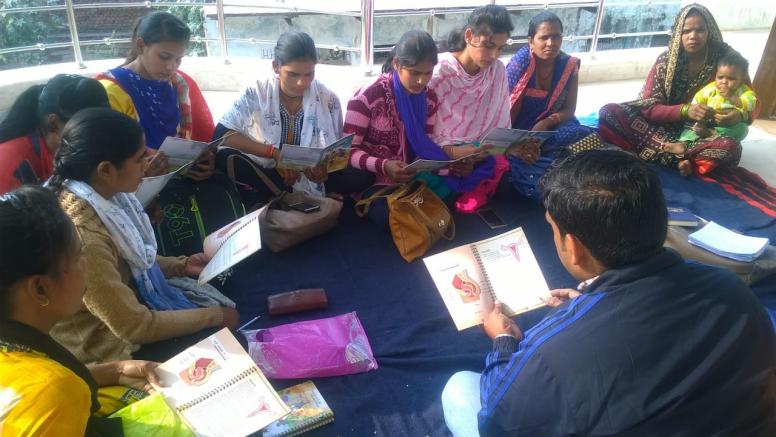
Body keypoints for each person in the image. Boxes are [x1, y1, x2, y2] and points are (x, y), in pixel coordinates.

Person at [440, 150, 776, 436]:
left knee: (460, 389)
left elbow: (497, 419)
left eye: (553, 229)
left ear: (572, 247)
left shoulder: (549, 355)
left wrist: (503, 342)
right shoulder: (730, 289)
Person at [46, 108, 239, 364]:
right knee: (229, 341)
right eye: (139, 160)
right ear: (105, 170)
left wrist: (180, 265)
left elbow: (126, 258)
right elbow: (134, 326)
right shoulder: (83, 239)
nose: (146, 165)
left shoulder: (101, 199)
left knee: (220, 302)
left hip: (127, 314)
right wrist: (215, 316)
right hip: (106, 348)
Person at [0, 185, 163, 436]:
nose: (86, 265)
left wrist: (114, 371)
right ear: (40, 288)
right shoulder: (52, 392)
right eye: (77, 256)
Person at [598, 4, 754, 177]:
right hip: (661, 126)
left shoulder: (726, 59)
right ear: (678, 33)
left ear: (709, 31)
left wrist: (741, 115)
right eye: (686, 31)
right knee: (609, 112)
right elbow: (649, 108)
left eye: (699, 30)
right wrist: (686, 110)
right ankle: (683, 158)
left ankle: (669, 153)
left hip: (702, 131)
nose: (693, 36)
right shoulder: (666, 61)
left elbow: (752, 99)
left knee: (730, 148)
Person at [345, 30, 492, 204]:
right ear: (396, 64)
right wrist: (384, 165)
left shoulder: (428, 99)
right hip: (375, 178)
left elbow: (424, 149)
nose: (422, 81)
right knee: (392, 217)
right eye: (415, 73)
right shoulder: (368, 97)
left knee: (454, 192)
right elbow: (348, 152)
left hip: (411, 176)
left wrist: (453, 168)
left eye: (428, 73)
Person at [215, 30, 360, 204]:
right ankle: (299, 200)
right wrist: (274, 154)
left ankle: (286, 199)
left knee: (361, 174)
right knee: (227, 159)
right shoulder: (257, 92)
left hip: (307, 176)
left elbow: (335, 151)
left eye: (309, 74)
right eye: (293, 74)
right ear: (276, 66)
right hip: (268, 170)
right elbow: (222, 136)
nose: (302, 83)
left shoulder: (327, 98)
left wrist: (323, 170)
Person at [97, 11, 215, 180]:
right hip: (132, 188)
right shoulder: (110, 90)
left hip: (182, 181)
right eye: (164, 57)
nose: (170, 67)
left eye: (178, 59)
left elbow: (202, 138)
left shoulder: (181, 84)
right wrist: (144, 173)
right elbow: (109, 157)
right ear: (140, 46)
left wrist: (203, 161)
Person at [427, 5, 515, 212]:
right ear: (469, 35)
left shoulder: (497, 71)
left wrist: (482, 152)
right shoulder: (438, 73)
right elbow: (425, 133)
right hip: (442, 155)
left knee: (511, 187)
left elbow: (500, 123)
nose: (494, 55)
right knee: (439, 196)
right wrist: (452, 153)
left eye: (500, 48)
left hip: (482, 152)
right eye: (488, 45)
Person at [505, 11, 599, 201]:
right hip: (520, 130)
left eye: (556, 37)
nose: (551, 43)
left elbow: (569, 109)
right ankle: (544, 160)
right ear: (531, 41)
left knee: (579, 134)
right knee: (514, 156)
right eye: (544, 37)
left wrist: (547, 123)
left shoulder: (568, 65)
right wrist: (521, 140)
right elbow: (504, 108)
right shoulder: (520, 63)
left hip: (552, 128)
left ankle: (545, 158)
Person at [0, 74, 108, 194]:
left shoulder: (76, 150)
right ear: (54, 123)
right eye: (89, 128)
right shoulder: (9, 166)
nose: (100, 136)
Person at [662, 50, 757, 174]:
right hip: (708, 120)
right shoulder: (711, 88)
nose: (724, 82)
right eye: (720, 77)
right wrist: (697, 109)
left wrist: (733, 99)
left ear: (742, 78)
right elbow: (697, 99)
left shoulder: (743, 91)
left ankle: (710, 135)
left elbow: (751, 104)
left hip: (728, 125)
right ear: (716, 75)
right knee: (691, 126)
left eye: (731, 79)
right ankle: (684, 143)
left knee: (742, 129)